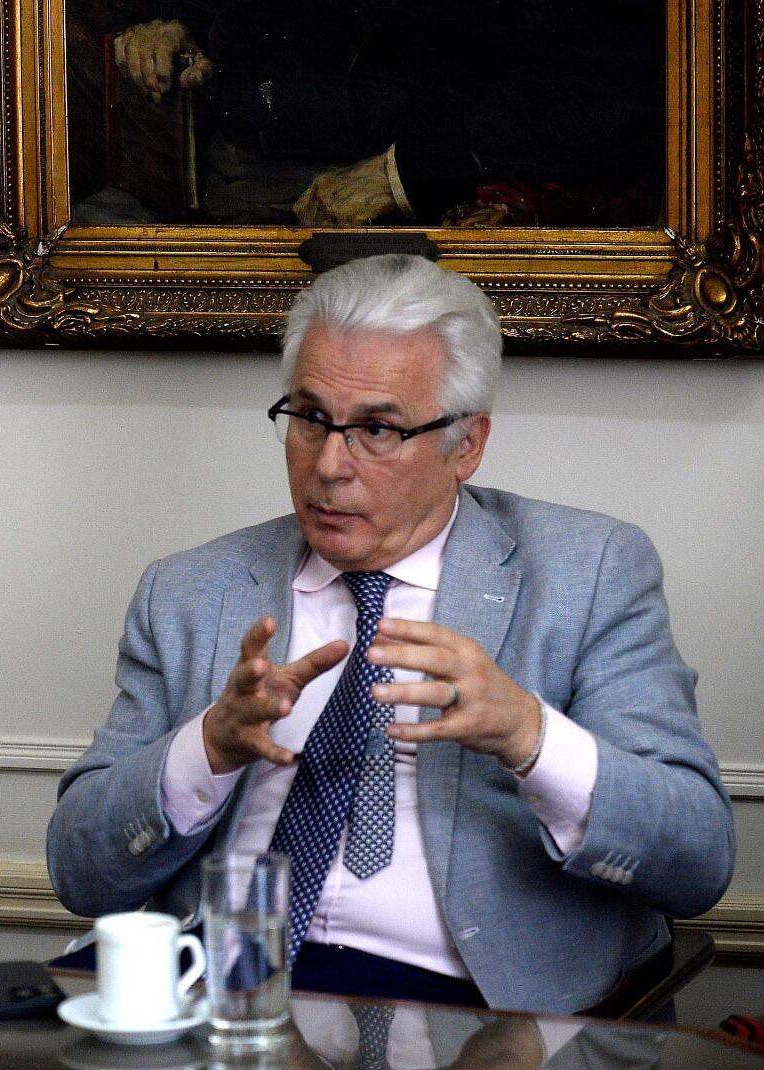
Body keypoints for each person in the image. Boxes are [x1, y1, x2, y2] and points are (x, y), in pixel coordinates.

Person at [45, 254, 733, 1015]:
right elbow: (81, 872)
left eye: (376, 429)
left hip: (476, 1013)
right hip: (226, 997)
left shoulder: (590, 572)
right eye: (309, 418)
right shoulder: (190, 590)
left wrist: (529, 734)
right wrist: (205, 748)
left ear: (466, 444)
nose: (329, 466)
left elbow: (697, 860)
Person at [91, 0, 663, 226]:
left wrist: (405, 173)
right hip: (231, 182)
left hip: (424, 203)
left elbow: (607, 86)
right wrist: (167, 18)